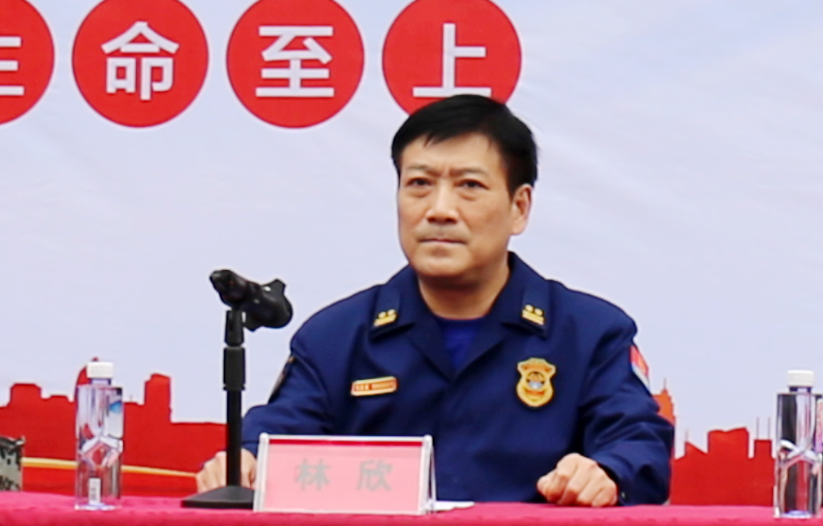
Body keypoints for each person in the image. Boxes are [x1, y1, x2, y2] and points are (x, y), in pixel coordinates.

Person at [196, 95, 673, 506]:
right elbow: (279, 437)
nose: (440, 210)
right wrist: (248, 461)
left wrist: (607, 473)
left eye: (470, 186)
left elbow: (638, 443)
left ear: (519, 207)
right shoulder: (335, 337)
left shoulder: (589, 333)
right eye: (420, 184)